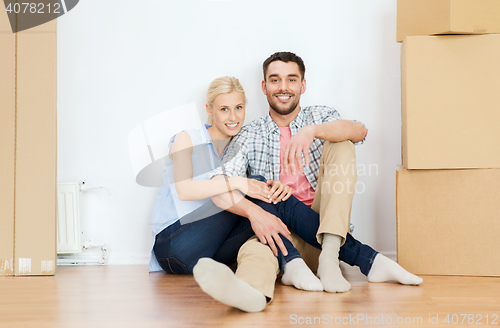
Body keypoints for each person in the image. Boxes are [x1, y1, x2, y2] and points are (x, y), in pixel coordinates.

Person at [193, 52, 422, 311]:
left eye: (291, 80)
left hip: (325, 231)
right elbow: (219, 184)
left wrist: (311, 132)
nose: (283, 87)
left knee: (343, 144)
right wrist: (255, 214)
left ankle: (330, 256)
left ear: (302, 85)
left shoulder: (321, 116)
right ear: (264, 87)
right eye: (275, 80)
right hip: (283, 238)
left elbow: (360, 131)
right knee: (254, 250)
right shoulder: (248, 134)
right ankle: (250, 293)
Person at [149, 76, 346, 312]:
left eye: (238, 108)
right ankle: (323, 256)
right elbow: (185, 190)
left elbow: (258, 195)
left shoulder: (239, 146)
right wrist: (241, 182)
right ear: (209, 110)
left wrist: (276, 188)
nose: (233, 117)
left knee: (269, 192)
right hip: (174, 245)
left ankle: (337, 255)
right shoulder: (187, 139)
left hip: (209, 255)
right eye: (224, 109)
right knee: (257, 184)